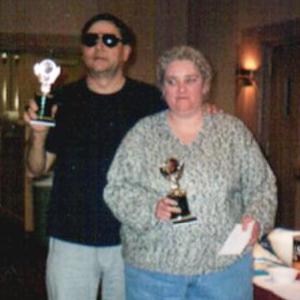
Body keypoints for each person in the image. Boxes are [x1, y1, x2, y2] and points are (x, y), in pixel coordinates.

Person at [104, 45, 278, 300]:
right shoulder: (142, 134)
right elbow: (116, 189)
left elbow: (263, 186)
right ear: (163, 88)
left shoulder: (232, 132)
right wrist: (150, 208)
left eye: (190, 80)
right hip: (153, 274)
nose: (181, 89)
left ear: (205, 85)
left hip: (224, 272)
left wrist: (256, 219)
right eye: (172, 81)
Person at [24, 13, 165, 300]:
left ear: (126, 52)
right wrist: (38, 136)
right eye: (91, 40)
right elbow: (36, 169)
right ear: (83, 50)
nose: (99, 47)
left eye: (109, 40)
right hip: (70, 237)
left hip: (131, 238)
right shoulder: (61, 100)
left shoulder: (149, 100)